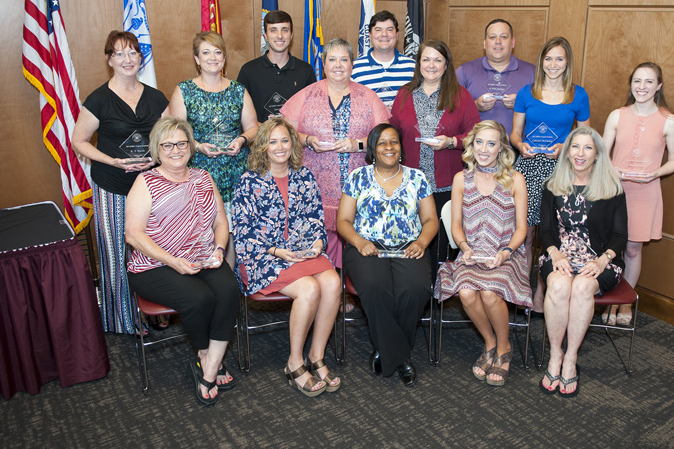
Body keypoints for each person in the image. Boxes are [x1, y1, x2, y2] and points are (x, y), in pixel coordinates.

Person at [125, 117, 240, 406]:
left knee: (228, 290)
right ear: (157, 149)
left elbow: (220, 222)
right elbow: (133, 235)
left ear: (190, 146)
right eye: (167, 145)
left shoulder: (203, 177)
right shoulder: (145, 182)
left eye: (181, 143)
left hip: (202, 257)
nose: (175, 149)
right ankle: (206, 355)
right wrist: (173, 261)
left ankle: (209, 365)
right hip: (154, 265)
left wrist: (219, 249)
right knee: (199, 298)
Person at [232, 118, 341, 397]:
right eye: (272, 141)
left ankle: (316, 356)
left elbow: (316, 217)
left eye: (284, 140)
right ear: (263, 146)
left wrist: (318, 241)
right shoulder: (249, 181)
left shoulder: (303, 176)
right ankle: (294, 362)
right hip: (262, 257)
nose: (279, 147)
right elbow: (243, 232)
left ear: (292, 143)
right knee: (309, 288)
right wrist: (276, 250)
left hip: (301, 252)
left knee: (331, 282)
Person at [71, 30, 169, 335]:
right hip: (113, 187)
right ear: (109, 59)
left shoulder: (155, 97)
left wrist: (158, 160)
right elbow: (79, 141)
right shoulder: (99, 99)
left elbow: (171, 137)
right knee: (117, 253)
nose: (127, 59)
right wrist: (111, 161)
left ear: (141, 58)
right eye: (119, 53)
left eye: (133, 53)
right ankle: (123, 319)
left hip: (153, 188)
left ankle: (155, 308)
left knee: (154, 249)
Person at [337, 123, 439, 386]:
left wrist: (422, 241)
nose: (389, 147)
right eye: (382, 143)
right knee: (376, 287)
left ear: (401, 148)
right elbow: (344, 221)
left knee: (416, 289)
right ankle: (401, 357)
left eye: (393, 142)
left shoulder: (417, 177)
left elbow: (430, 219)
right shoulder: (357, 177)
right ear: (372, 149)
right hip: (366, 248)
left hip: (408, 246)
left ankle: (386, 350)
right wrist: (359, 242)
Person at [436, 121, 532, 386]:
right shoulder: (461, 179)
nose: (484, 149)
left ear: (501, 147)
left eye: (491, 143)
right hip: (472, 253)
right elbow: (455, 225)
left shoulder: (515, 179)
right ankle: (489, 343)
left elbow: (522, 228)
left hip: (507, 254)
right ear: (471, 144)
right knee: (466, 292)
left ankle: (504, 348)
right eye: (479, 142)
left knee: (489, 292)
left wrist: (505, 252)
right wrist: (465, 248)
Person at [281, 37, 390, 268]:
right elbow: (284, 131)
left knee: (358, 240)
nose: (338, 65)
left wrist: (358, 145)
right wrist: (308, 140)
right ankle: (328, 289)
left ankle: (351, 291)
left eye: (344, 59)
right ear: (323, 64)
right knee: (322, 240)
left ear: (352, 64)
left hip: (359, 186)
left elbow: (385, 136)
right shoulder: (306, 95)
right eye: (332, 59)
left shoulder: (367, 96)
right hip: (315, 186)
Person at [538, 127, 627, 397]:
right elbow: (546, 231)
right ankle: (556, 354)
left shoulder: (612, 188)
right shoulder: (553, 185)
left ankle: (571, 359)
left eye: (587, 148)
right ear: (567, 152)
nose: (580, 153)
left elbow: (620, 235)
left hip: (601, 259)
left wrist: (603, 261)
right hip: (560, 253)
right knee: (558, 287)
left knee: (581, 287)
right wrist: (555, 253)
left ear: (598, 154)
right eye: (575, 147)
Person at [510, 36, 591, 313]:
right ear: (541, 62)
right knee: (527, 232)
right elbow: (515, 134)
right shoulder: (526, 92)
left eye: (559, 58)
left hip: (562, 171)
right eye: (548, 58)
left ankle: (542, 292)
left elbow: (584, 136)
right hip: (529, 168)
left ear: (567, 62)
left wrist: (565, 147)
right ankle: (521, 287)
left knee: (554, 235)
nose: (553, 64)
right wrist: (521, 146)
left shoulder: (578, 95)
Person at [168, 31, 259, 268]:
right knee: (203, 230)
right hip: (199, 174)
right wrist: (197, 146)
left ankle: (232, 285)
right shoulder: (183, 91)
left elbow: (253, 128)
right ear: (197, 59)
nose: (212, 57)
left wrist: (241, 140)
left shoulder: (238, 90)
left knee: (233, 231)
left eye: (218, 52)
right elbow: (175, 133)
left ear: (224, 58)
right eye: (206, 52)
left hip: (236, 172)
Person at [390, 38, 481, 274]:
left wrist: (452, 142)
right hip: (410, 186)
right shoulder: (404, 95)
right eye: (426, 59)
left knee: (440, 250)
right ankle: (415, 294)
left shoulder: (461, 96)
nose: (431, 65)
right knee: (411, 244)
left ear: (446, 64)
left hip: (445, 186)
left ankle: (435, 298)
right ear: (418, 63)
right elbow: (393, 133)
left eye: (437, 60)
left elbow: (476, 136)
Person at [602, 62, 674, 325]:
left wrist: (655, 173)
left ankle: (625, 301)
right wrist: (611, 171)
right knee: (608, 247)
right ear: (631, 84)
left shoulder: (669, 121)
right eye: (637, 81)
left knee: (633, 250)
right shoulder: (617, 115)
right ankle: (607, 298)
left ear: (658, 86)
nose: (642, 87)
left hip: (646, 192)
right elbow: (602, 153)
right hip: (614, 191)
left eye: (649, 82)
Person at [456, 19, 535, 133]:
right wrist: (474, 106)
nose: (498, 41)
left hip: (517, 149)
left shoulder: (532, 73)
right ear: (485, 43)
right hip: (476, 148)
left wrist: (521, 106)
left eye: (503, 37)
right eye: (492, 37)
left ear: (512, 42)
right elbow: (450, 113)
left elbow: (545, 114)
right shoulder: (464, 71)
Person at [236, 10, 317, 121]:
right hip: (259, 138)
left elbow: (313, 113)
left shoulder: (306, 70)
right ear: (265, 35)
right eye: (273, 30)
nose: (279, 36)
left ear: (291, 35)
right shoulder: (248, 71)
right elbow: (239, 114)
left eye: (285, 30)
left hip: (295, 138)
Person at [351, 10, 417, 108]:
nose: (384, 34)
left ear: (397, 34)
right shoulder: (354, 68)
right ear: (370, 35)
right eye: (378, 30)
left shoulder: (413, 67)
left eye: (389, 29)